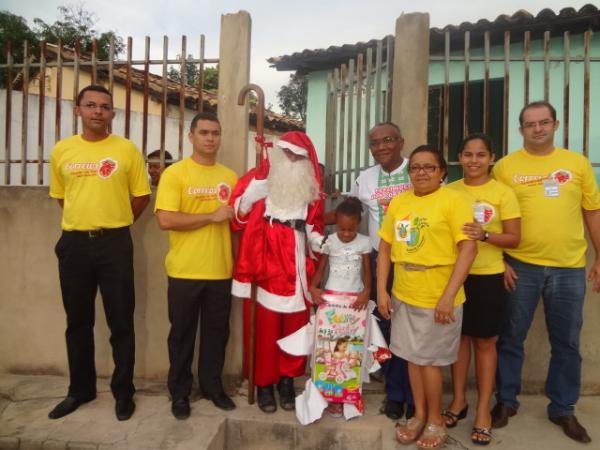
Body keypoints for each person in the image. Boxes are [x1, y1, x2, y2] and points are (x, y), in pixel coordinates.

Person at [491, 101, 600, 444]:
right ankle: (506, 402)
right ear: (520, 129)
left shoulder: (577, 163)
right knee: (510, 338)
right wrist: (501, 261)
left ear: (555, 124)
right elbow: (491, 216)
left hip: (568, 267)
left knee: (567, 342)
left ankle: (563, 408)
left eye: (544, 122)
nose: (537, 129)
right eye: (530, 124)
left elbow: (592, 212)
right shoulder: (505, 167)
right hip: (520, 266)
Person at [48, 84, 151, 421]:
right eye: (90, 105)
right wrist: (86, 222)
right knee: (77, 321)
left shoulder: (127, 150)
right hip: (74, 245)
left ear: (113, 114)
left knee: (121, 320)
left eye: (104, 107)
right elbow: (62, 196)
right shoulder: (62, 151)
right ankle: (80, 390)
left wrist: (114, 224)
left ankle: (124, 393)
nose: (97, 111)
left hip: (115, 244)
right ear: (77, 109)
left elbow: (141, 196)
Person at [377, 145, 477, 450]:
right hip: (404, 293)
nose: (421, 173)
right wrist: (382, 289)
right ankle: (419, 414)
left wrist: (448, 297)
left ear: (442, 171)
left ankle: (435, 419)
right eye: (416, 167)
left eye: (429, 167)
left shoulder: (454, 201)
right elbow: (385, 248)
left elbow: (469, 249)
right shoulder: (400, 202)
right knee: (410, 357)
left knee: (430, 362)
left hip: (438, 296)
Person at [230, 131, 324, 413]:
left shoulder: (310, 186)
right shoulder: (257, 177)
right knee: (264, 327)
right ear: (279, 152)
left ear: (308, 160)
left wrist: (323, 243)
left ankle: (286, 380)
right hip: (263, 260)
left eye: (299, 155)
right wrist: (250, 196)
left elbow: (314, 226)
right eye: (288, 153)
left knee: (294, 327)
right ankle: (263, 384)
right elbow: (236, 218)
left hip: (295, 262)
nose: (292, 159)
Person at [154, 112, 238, 419]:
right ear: (191, 136)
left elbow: (238, 223)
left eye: (215, 133)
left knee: (217, 333)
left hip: (221, 270)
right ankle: (179, 393)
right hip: (184, 270)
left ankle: (213, 388)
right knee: (182, 335)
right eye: (203, 132)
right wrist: (210, 216)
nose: (210, 138)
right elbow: (165, 219)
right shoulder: (175, 174)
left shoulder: (230, 177)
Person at [444, 133, 521, 445]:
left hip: (489, 276)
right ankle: (459, 401)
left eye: (480, 155)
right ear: (459, 158)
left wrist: (486, 236)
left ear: (491, 158)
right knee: (458, 341)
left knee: (485, 344)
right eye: (467, 154)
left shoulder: (503, 192)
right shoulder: (448, 191)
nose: (473, 160)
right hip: (455, 276)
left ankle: (483, 412)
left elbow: (515, 238)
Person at [350, 122, 414, 420]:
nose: (382, 147)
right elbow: (348, 212)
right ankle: (396, 392)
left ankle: (414, 393)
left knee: (413, 328)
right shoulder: (364, 179)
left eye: (388, 140)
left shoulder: (419, 170)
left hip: (416, 261)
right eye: (375, 143)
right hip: (382, 259)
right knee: (386, 325)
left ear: (400, 141)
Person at [309, 197, 372, 417]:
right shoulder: (331, 242)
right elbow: (321, 267)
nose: (346, 234)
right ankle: (330, 396)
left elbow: (367, 271)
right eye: (342, 229)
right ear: (335, 223)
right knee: (328, 350)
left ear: (358, 224)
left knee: (349, 351)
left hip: (354, 302)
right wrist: (314, 287)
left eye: (351, 229)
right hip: (331, 301)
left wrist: (365, 293)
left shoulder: (364, 242)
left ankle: (351, 395)